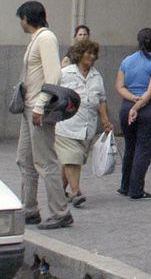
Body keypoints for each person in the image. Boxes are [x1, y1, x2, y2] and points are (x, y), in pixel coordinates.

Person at [14, 1, 73, 229]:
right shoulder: (36, 39)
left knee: (46, 161)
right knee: (25, 160)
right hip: (29, 108)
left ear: (26, 18)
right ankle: (29, 210)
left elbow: (54, 76)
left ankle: (60, 212)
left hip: (38, 109)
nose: (20, 23)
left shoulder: (46, 38)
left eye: (20, 18)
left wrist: (40, 106)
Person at [55, 40, 112, 207]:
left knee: (72, 160)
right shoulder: (65, 73)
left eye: (94, 54)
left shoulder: (97, 76)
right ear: (79, 54)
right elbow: (52, 92)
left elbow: (101, 99)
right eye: (88, 53)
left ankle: (59, 192)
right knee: (72, 159)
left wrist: (105, 119)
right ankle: (76, 192)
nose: (92, 57)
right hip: (67, 125)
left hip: (87, 127)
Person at [115, 28, 151, 200]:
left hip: (127, 106)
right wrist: (137, 106)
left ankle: (125, 186)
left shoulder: (127, 61)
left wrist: (132, 100)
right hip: (150, 109)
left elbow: (120, 86)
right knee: (143, 149)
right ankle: (136, 189)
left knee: (130, 147)